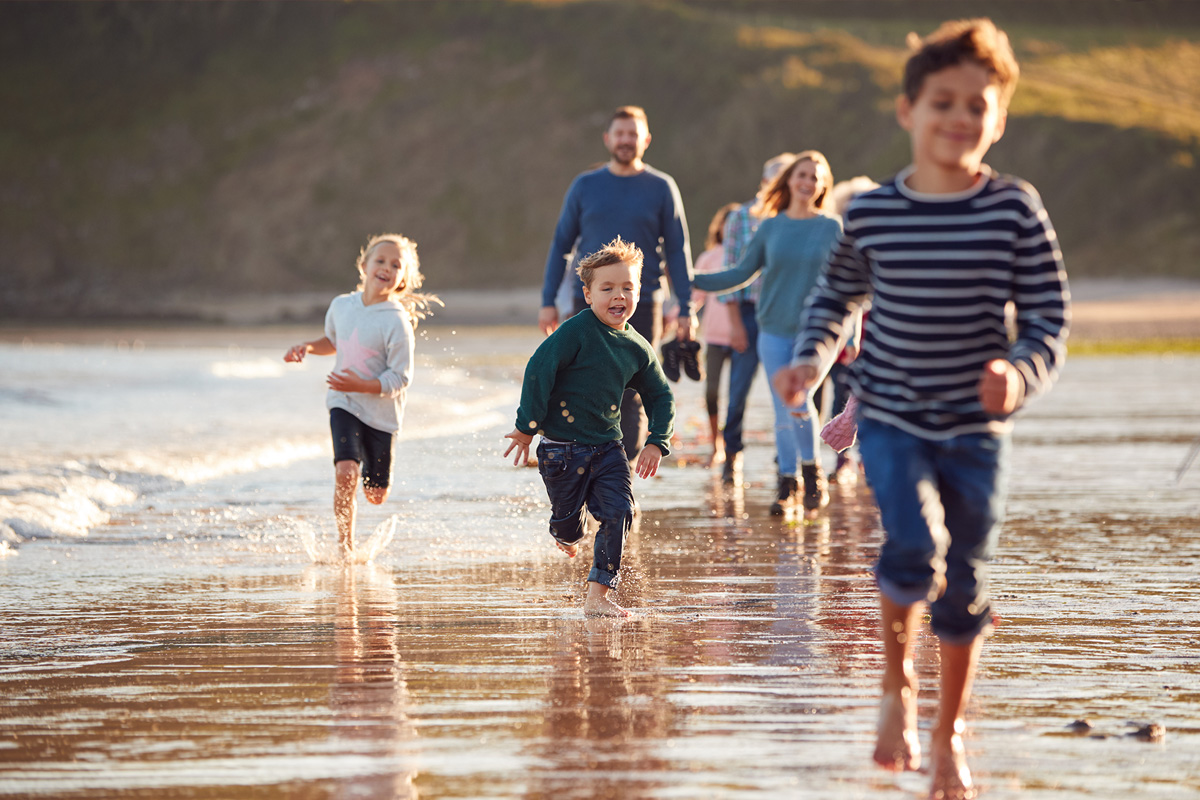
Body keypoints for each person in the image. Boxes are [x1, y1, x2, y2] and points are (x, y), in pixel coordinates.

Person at [775, 18, 1069, 799]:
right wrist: (810, 359)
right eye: (944, 102)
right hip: (896, 418)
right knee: (912, 546)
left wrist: (1022, 369)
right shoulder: (874, 213)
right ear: (908, 110)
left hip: (977, 430)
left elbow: (1047, 315)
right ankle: (896, 688)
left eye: (979, 105)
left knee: (966, 578)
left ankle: (948, 736)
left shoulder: (1014, 210)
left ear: (998, 118)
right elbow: (836, 296)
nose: (961, 118)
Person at [506, 237, 675, 619]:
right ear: (587, 294)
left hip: (608, 448)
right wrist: (526, 427)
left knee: (620, 512)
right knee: (569, 528)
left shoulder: (636, 347)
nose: (619, 296)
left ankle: (598, 595)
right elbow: (539, 369)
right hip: (560, 450)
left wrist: (656, 442)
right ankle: (564, 532)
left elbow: (660, 395)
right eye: (608, 288)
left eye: (627, 287)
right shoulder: (576, 331)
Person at [539, 105, 694, 462]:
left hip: (643, 301)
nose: (626, 141)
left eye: (633, 134)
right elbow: (561, 245)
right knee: (585, 384)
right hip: (590, 301)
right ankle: (589, 465)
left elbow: (677, 251)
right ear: (608, 139)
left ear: (646, 140)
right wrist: (548, 299)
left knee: (634, 387)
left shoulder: (661, 187)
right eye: (620, 134)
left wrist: (685, 307)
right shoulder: (585, 185)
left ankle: (620, 472)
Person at [693, 152, 842, 516]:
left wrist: (850, 334)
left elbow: (847, 285)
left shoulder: (832, 228)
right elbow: (739, 273)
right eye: (801, 174)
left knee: (799, 401)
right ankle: (787, 483)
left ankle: (812, 472)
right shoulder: (770, 227)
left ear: (823, 185)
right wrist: (689, 280)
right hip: (773, 328)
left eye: (814, 177)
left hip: (817, 332)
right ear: (789, 180)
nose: (807, 182)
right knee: (782, 410)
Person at [284, 233, 440, 558]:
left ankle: (374, 491)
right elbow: (333, 340)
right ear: (364, 265)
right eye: (380, 260)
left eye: (396, 265)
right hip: (343, 402)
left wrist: (362, 384)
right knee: (346, 472)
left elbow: (401, 378)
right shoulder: (341, 306)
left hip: (382, 416)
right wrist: (307, 348)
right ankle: (346, 548)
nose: (386, 267)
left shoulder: (397, 321)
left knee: (375, 494)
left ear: (403, 278)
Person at [717, 152, 795, 486]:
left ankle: (788, 462)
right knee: (738, 390)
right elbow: (731, 271)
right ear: (765, 181)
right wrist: (734, 323)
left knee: (792, 393)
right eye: (775, 178)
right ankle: (731, 455)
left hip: (787, 312)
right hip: (748, 312)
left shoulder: (799, 220)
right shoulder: (741, 217)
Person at [691, 202, 742, 468]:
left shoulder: (747, 256)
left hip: (741, 338)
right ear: (719, 226)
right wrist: (680, 316)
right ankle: (715, 444)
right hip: (713, 338)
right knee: (711, 392)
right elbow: (695, 296)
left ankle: (734, 450)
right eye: (726, 220)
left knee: (737, 396)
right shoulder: (709, 258)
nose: (730, 226)